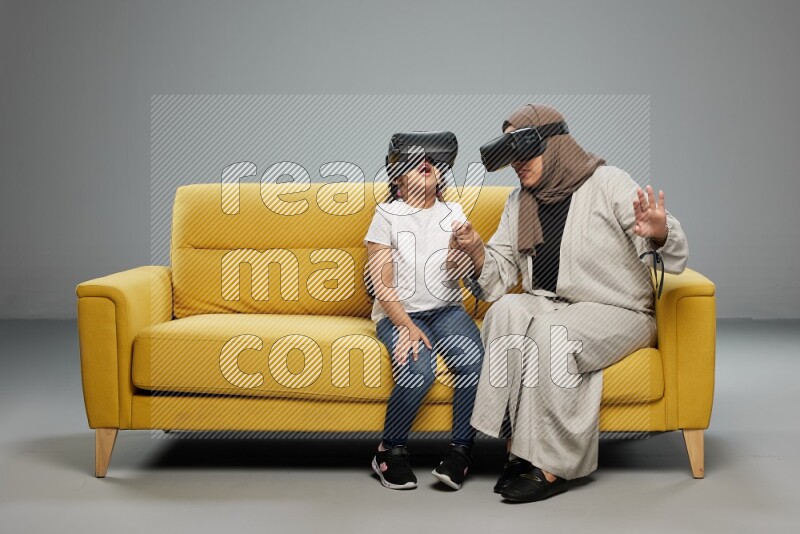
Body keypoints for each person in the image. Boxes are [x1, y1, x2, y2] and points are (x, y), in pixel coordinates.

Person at [450, 104, 689, 502]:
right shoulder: (519, 202)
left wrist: (659, 233)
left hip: (617, 310)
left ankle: (553, 464)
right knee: (504, 311)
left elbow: (667, 251)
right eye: (511, 155)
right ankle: (517, 447)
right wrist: (476, 252)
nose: (516, 163)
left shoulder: (608, 182)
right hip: (550, 303)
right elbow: (497, 277)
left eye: (525, 151)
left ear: (555, 145)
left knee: (551, 333)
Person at [364, 132, 484, 491]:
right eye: (414, 162)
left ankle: (461, 452)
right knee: (418, 371)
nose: (425, 164)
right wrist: (404, 325)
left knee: (473, 362)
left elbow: (455, 271)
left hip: (447, 310)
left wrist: (463, 251)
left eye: (431, 160)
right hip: (399, 313)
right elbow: (382, 282)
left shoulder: (453, 212)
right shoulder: (387, 215)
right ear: (398, 181)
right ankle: (389, 450)